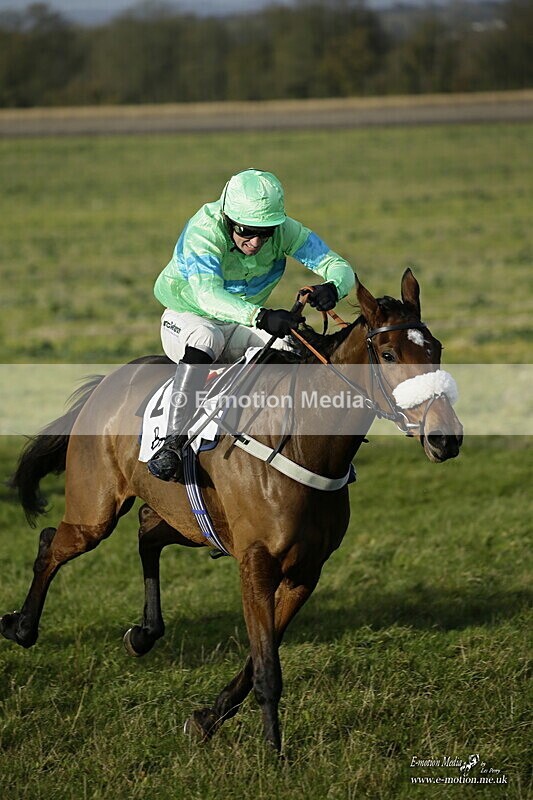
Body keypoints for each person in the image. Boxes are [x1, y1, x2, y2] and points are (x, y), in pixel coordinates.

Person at [148, 168, 356, 481]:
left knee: (294, 344)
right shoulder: (203, 231)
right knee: (206, 336)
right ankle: (172, 443)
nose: (256, 241)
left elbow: (337, 265)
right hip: (187, 316)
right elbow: (207, 296)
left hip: (238, 319)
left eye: (266, 232)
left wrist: (333, 287)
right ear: (228, 218)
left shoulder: (284, 229)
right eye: (246, 231)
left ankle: (312, 448)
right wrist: (260, 316)